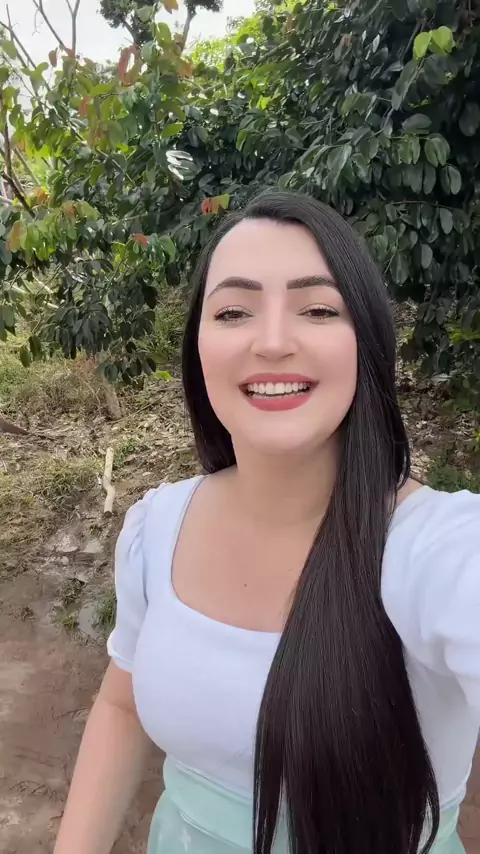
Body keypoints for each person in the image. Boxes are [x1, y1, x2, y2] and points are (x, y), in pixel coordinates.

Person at [54, 192, 480, 854]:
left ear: (367, 342)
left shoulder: (439, 552)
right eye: (233, 312)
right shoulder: (156, 529)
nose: (274, 342)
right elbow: (122, 702)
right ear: (198, 348)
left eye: (318, 309)